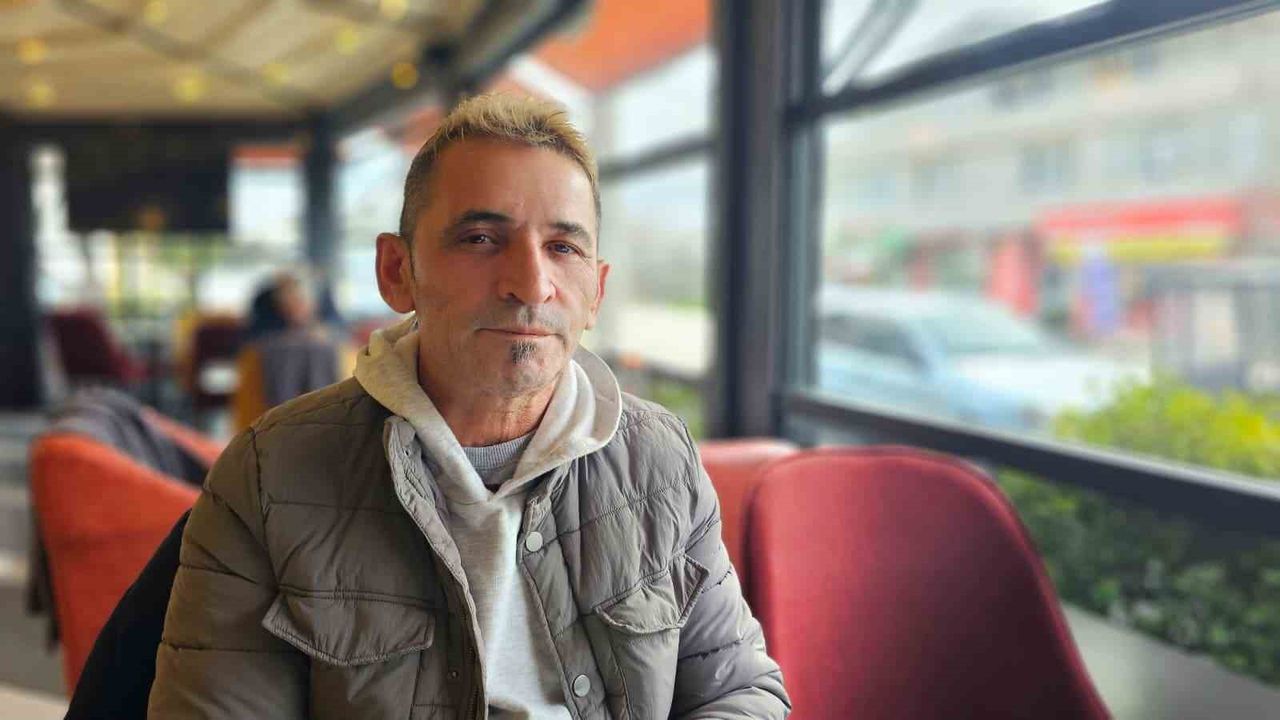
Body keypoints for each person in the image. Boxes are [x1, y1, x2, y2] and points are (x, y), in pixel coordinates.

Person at [147, 93, 790, 719]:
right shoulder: (270, 476)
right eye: (481, 239)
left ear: (595, 292)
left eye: (563, 247)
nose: (531, 285)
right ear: (397, 271)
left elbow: (739, 690)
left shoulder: (659, 458)